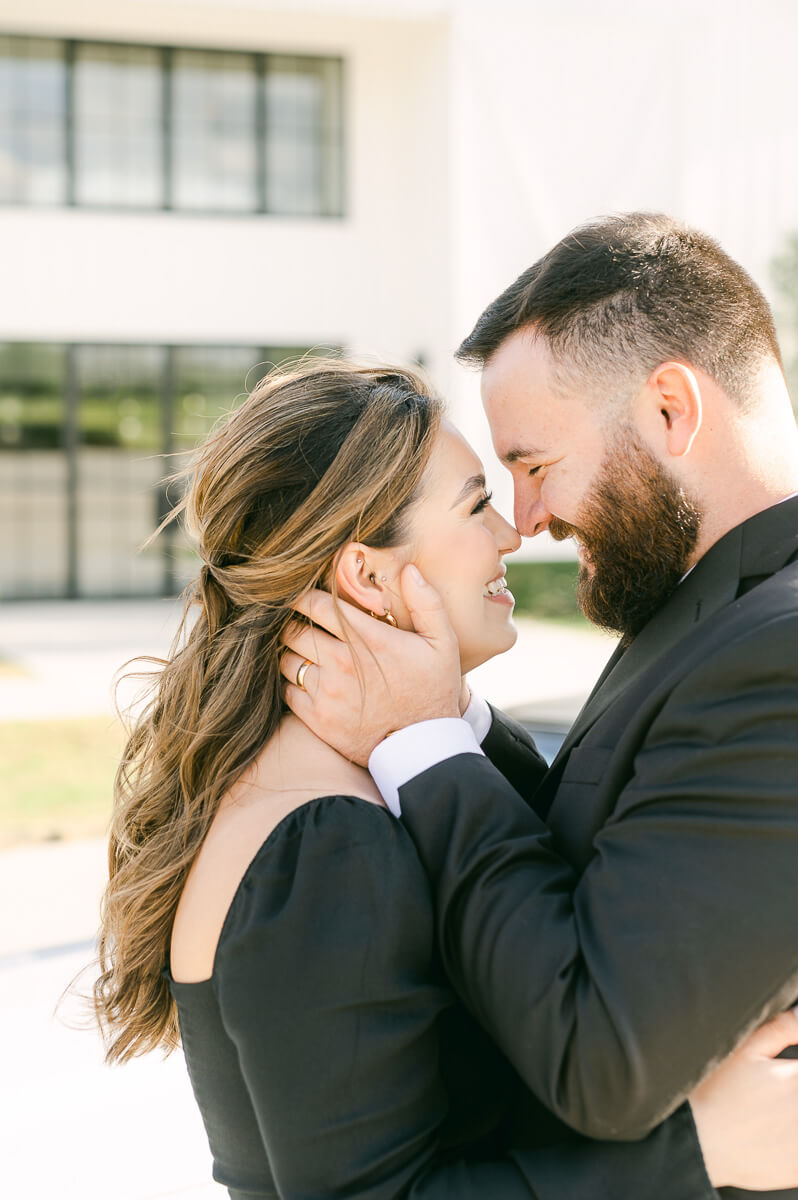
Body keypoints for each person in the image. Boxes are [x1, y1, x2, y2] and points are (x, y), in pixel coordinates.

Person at [93, 357, 797, 1199]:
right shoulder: (324, 838)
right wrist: (699, 1154)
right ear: (367, 575)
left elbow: (533, 836)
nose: (512, 531)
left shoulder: (352, 776)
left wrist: (434, 714)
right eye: (475, 504)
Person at [281, 216, 798, 1197]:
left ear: (671, 411)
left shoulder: (780, 652)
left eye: (534, 465)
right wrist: (451, 716)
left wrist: (418, 740)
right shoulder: (716, 609)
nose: (529, 522)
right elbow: (590, 840)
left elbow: (602, 1060)